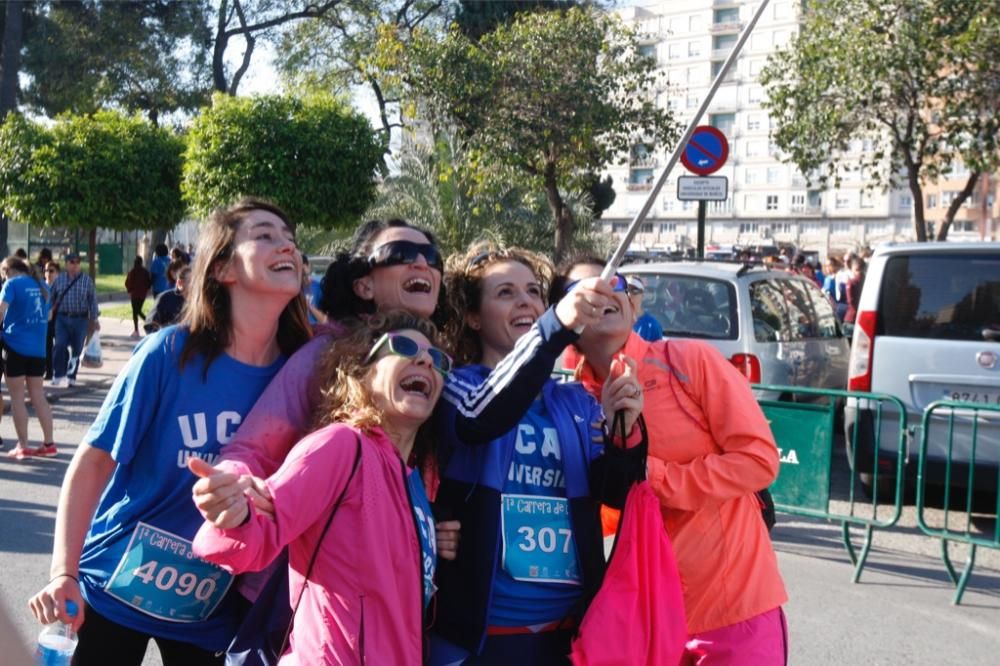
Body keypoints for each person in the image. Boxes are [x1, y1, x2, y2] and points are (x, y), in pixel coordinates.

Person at [27, 198, 312, 665]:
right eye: (265, 235)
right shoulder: (169, 353)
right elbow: (94, 462)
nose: (287, 246)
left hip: (212, 608)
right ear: (223, 269)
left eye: (291, 239)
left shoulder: (304, 373)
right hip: (113, 590)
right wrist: (64, 573)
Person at [553, 257, 788, 665]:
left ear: (634, 303)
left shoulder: (689, 361)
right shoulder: (572, 401)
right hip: (640, 618)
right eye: (586, 288)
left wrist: (651, 475)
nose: (606, 292)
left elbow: (758, 460)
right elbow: (602, 516)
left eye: (617, 282)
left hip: (734, 609)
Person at [430, 244, 646, 665]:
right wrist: (550, 330)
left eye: (533, 291)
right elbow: (481, 417)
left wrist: (626, 428)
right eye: (505, 292)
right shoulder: (457, 386)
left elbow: (618, 493)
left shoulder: (578, 401)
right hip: (478, 638)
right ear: (473, 317)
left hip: (568, 636)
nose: (525, 300)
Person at [192, 310, 445, 664]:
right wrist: (233, 514)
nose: (424, 360)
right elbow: (263, 524)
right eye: (402, 347)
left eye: (437, 358)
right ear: (362, 372)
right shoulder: (340, 446)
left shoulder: (415, 479)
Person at [0, 257, 55, 460]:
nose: (4, 277)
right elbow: (48, 317)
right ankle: (49, 443)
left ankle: (23, 445)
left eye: (4, 273)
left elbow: (1, 311)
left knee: (17, 397)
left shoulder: (12, 284)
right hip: (38, 349)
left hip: (15, 346)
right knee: (38, 395)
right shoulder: (42, 285)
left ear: (11, 270)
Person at [49, 253, 99, 388]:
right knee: (59, 345)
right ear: (66, 264)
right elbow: (51, 298)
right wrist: (48, 311)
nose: (75, 265)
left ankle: (71, 376)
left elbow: (92, 301)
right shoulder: (59, 280)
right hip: (62, 318)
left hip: (81, 319)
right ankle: (58, 374)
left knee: (77, 349)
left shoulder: (86, 280)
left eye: (77, 262)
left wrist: (94, 319)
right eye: (72, 262)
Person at [145, 266, 191, 332]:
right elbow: (150, 324)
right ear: (180, 283)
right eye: (191, 281)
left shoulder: (200, 303)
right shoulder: (164, 298)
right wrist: (162, 337)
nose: (196, 285)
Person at [626, 275, 664, 342]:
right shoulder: (614, 322)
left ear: (642, 295)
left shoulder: (652, 326)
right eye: (626, 290)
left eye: (634, 291)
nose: (629, 294)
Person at [124, 256, 152, 338]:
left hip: (134, 294)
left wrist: (129, 291)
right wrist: (147, 289)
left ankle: (140, 328)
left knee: (135, 312)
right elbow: (149, 282)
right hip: (142, 294)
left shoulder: (132, 271)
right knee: (138, 311)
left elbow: (127, 282)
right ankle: (148, 322)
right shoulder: (145, 272)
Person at [43, 261, 60, 380]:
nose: (48, 273)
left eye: (51, 270)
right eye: (46, 270)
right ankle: (49, 371)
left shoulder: (61, 286)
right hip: (46, 320)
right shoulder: (41, 286)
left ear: (57, 273)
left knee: (60, 346)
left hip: (59, 319)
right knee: (47, 346)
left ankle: (61, 367)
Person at [844, 256, 866, 328]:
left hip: (852, 317)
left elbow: (850, 301)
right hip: (865, 317)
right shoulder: (869, 281)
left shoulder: (851, 283)